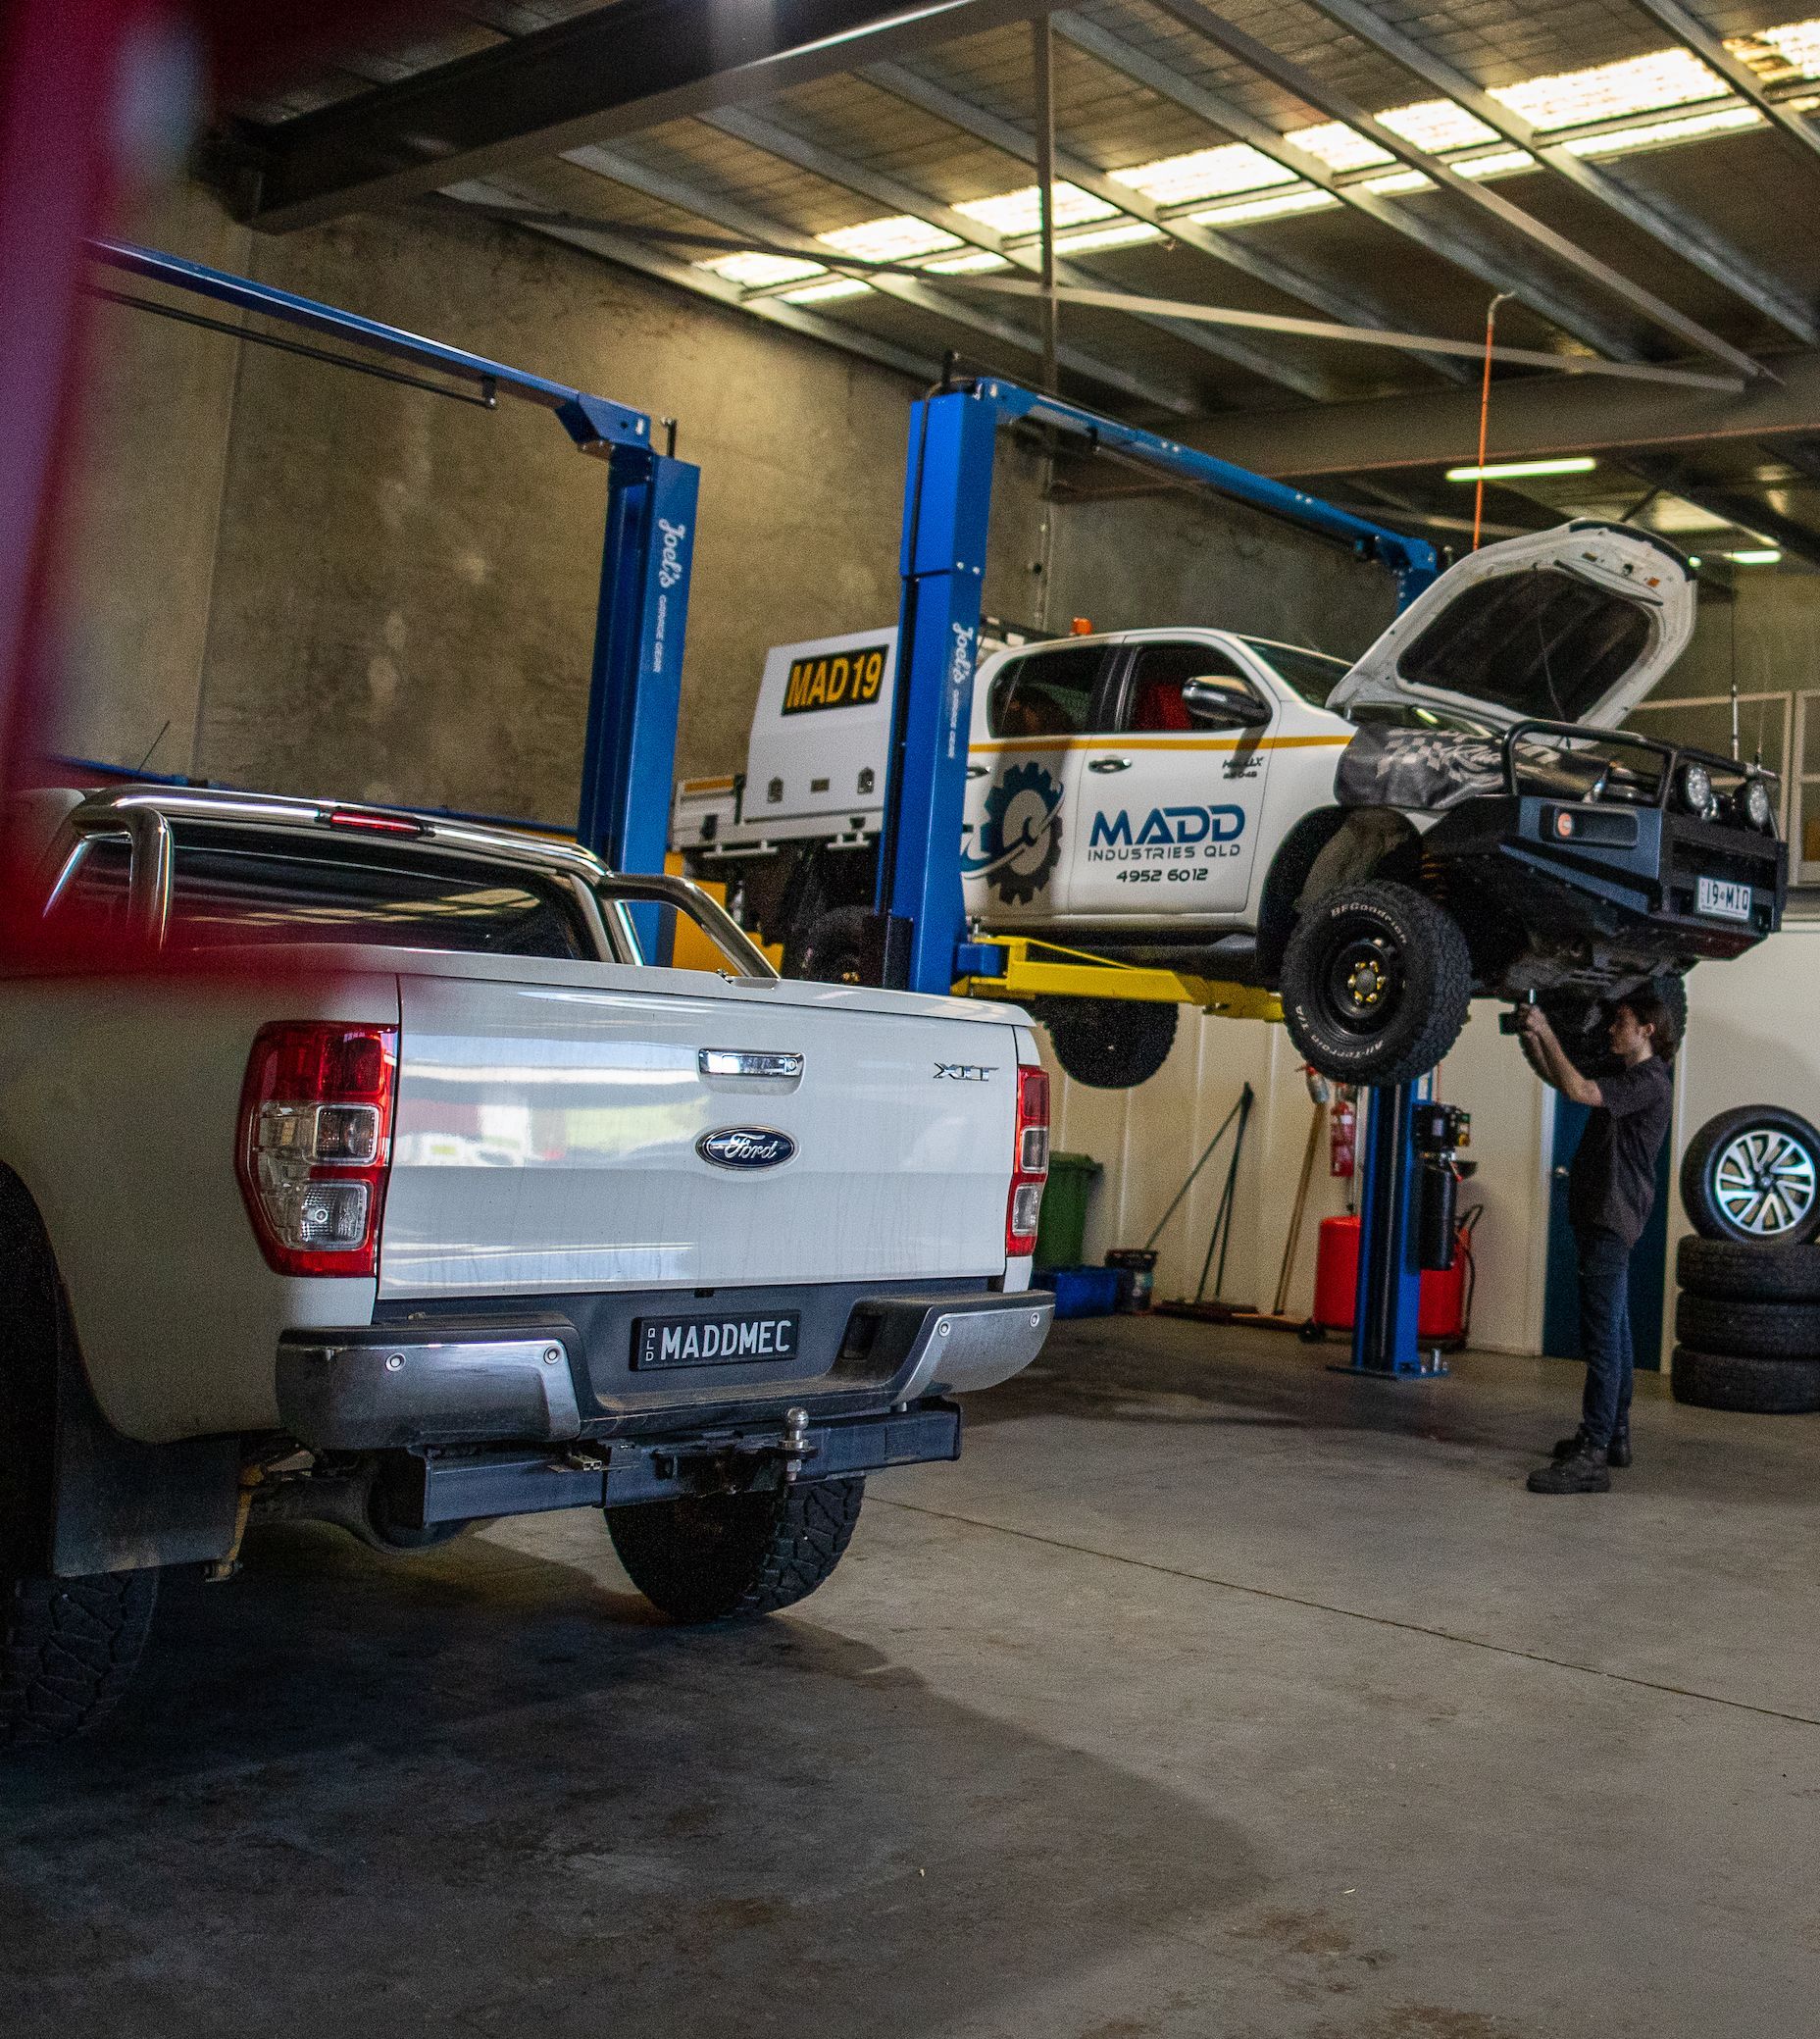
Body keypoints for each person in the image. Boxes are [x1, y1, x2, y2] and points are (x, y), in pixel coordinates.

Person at [1517, 991, 1678, 1495]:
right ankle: (1616, 1436)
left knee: (1603, 1339)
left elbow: (1582, 1091)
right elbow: (1567, 1084)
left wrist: (1547, 1032)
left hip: (1612, 1217)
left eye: (1620, 1021)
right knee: (1619, 1330)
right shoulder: (1635, 1080)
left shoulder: (1649, 1082)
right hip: (1605, 1216)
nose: (1611, 1029)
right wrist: (1538, 1044)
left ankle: (1593, 1454)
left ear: (1647, 1028)